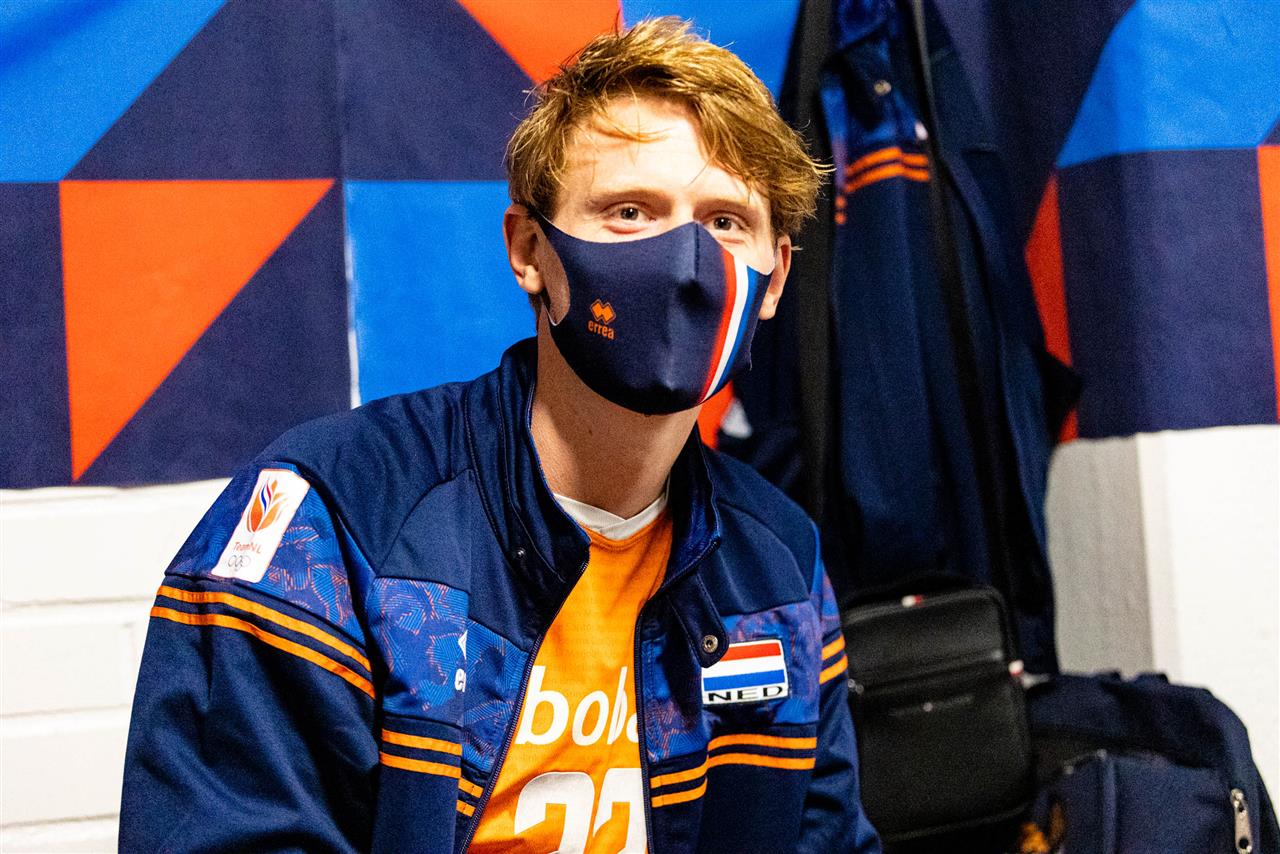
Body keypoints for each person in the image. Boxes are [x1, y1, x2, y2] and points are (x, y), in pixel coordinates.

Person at [120, 17, 881, 854]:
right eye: (630, 212)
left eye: (726, 222)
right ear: (528, 250)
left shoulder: (780, 565)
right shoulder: (332, 523)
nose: (685, 262)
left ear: (775, 280)